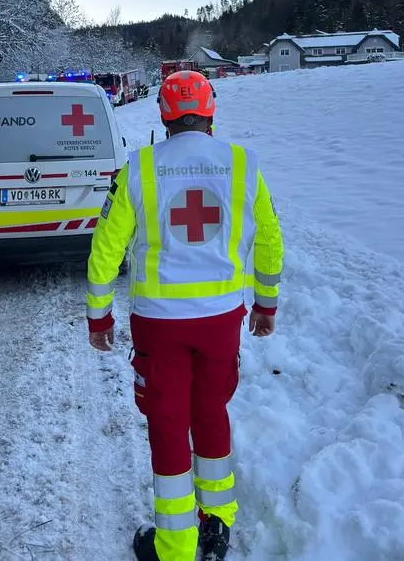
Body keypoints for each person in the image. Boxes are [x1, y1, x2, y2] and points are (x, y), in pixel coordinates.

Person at [86, 70, 284, 561]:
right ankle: (217, 524)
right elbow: (269, 240)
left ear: (164, 114)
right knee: (211, 412)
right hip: (221, 320)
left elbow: (105, 249)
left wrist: (99, 315)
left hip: (160, 323)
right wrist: (264, 302)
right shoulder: (243, 165)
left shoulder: (139, 168)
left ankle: (174, 547)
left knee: (169, 423)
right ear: (210, 110)